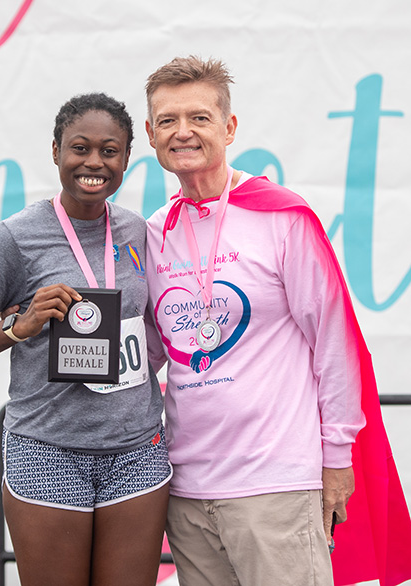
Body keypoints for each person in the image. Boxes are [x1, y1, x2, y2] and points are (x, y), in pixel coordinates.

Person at [143, 55, 411, 586]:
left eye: (199, 117)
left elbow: (334, 345)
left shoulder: (282, 218)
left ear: (229, 127)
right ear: (150, 135)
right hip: (188, 489)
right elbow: (152, 350)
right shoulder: (155, 232)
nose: (184, 132)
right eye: (168, 121)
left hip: (275, 483)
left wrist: (337, 458)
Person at [0, 92, 172, 586]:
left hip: (136, 450)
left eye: (110, 151)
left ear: (127, 158)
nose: (93, 162)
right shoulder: (15, 236)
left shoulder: (138, 232)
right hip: (48, 450)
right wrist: (16, 326)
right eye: (79, 147)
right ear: (55, 151)